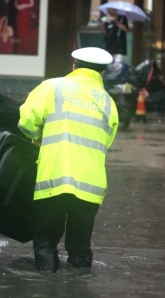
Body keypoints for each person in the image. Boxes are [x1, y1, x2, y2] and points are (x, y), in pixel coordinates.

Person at [18, 47, 119, 273]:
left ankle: (46, 285)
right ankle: (80, 286)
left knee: (46, 240)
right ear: (102, 74)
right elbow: (106, 141)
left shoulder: (52, 87)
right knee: (80, 246)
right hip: (90, 187)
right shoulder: (108, 102)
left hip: (55, 178)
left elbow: (26, 122)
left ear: (74, 67)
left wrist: (39, 135)